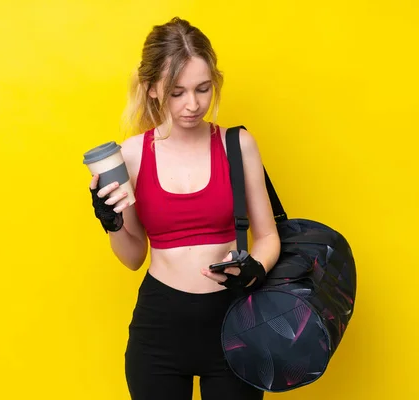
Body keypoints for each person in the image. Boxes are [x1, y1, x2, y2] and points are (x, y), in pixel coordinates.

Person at [88, 17, 281, 400]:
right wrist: (111, 223)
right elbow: (132, 257)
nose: (193, 105)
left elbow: (269, 235)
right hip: (159, 330)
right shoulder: (131, 155)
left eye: (202, 89)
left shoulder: (238, 145)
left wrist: (254, 268)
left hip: (234, 325)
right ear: (152, 89)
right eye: (177, 92)